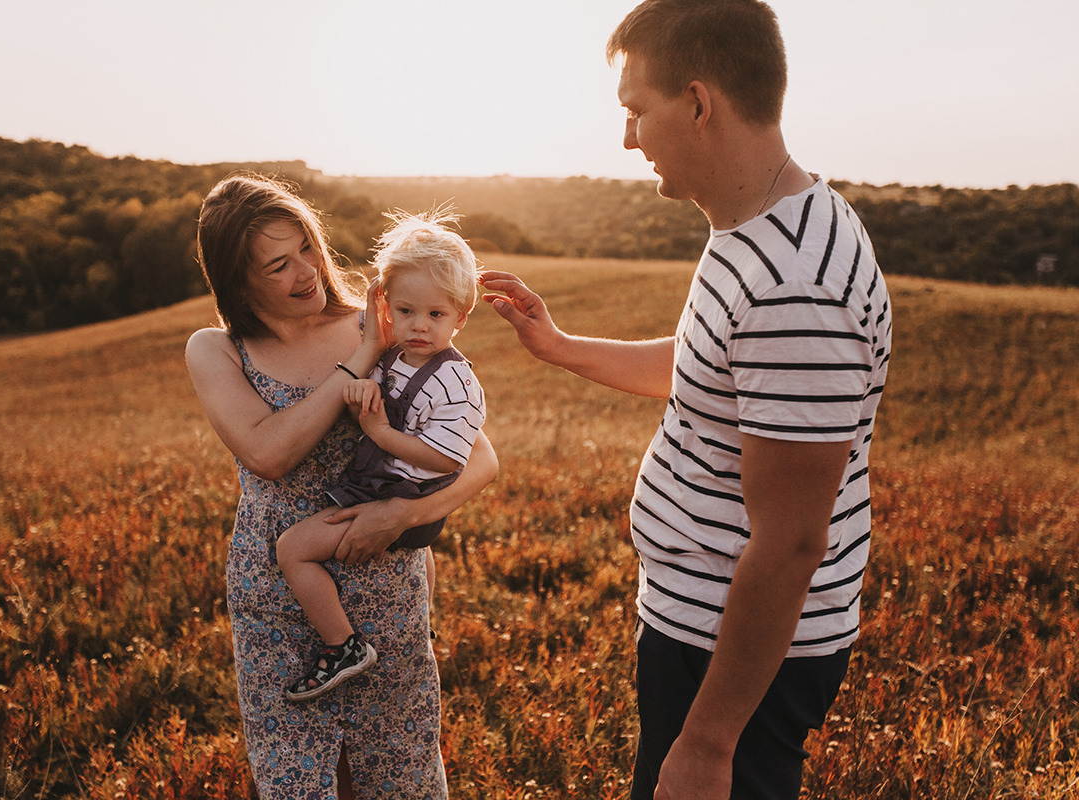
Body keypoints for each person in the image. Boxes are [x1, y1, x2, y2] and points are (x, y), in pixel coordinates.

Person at [480, 2, 892, 799]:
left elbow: (791, 542)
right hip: (697, 626)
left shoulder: (794, 286)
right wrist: (560, 345)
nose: (628, 139)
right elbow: (709, 370)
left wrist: (708, 744)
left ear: (699, 104)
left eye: (636, 112)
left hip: (734, 661)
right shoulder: (756, 229)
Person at [185, 172, 497, 799]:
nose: (305, 271)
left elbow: (479, 460)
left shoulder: (387, 324)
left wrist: (401, 518)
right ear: (237, 279)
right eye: (277, 264)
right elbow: (269, 453)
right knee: (296, 782)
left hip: (385, 582)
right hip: (280, 595)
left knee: (399, 777)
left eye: (306, 246)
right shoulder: (217, 349)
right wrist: (359, 359)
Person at [276, 209, 486, 702]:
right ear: (386, 304)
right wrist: (363, 391)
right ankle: (422, 623)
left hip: (405, 495)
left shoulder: (457, 383)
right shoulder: (394, 356)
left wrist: (379, 430)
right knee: (419, 560)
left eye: (436, 315)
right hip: (387, 483)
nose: (418, 327)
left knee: (292, 549)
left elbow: (446, 461)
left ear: (461, 315)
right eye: (406, 311)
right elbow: (383, 390)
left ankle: (342, 645)